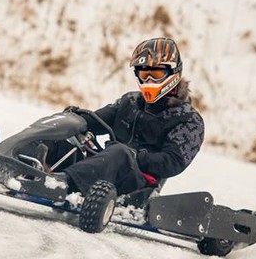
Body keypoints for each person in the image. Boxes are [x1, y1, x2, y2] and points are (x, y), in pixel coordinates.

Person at [58, 37, 204, 195]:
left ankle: (61, 184)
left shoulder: (189, 120)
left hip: (138, 184)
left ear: (173, 72)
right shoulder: (130, 101)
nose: (148, 79)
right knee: (66, 129)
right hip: (103, 168)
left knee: (120, 152)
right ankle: (30, 165)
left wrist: (136, 156)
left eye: (155, 73)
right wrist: (72, 120)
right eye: (144, 73)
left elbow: (172, 162)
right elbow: (95, 121)